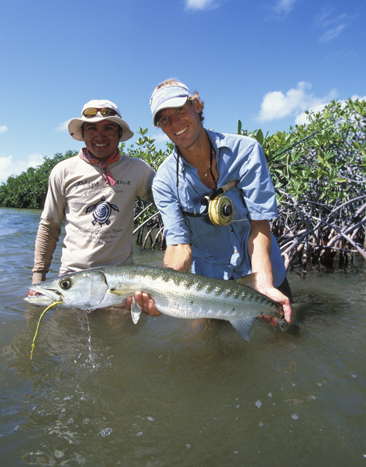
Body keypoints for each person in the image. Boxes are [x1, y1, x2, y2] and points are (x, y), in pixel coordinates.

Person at [136, 79, 292, 326]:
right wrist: (161, 292)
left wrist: (263, 283)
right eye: (164, 119)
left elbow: (259, 226)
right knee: (207, 357)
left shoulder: (246, 151)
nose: (174, 123)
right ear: (160, 127)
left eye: (179, 110)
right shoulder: (164, 181)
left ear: (197, 105)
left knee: (286, 338)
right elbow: (179, 247)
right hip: (209, 285)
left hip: (262, 270)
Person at [30, 99, 155, 286]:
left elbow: (169, 202)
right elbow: (49, 225)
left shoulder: (138, 169)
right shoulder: (63, 170)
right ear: (83, 133)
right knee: (61, 317)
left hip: (120, 276)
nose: (100, 136)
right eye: (92, 129)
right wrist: (37, 279)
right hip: (72, 276)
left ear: (120, 133)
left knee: (117, 317)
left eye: (108, 128)